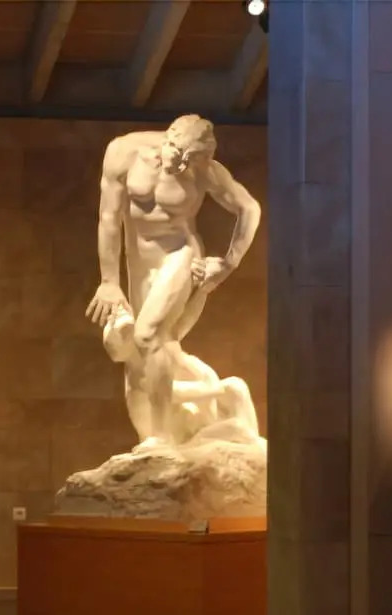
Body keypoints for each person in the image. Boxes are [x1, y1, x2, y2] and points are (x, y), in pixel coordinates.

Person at [85, 114, 261, 448]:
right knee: (140, 355)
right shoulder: (123, 152)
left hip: (180, 256)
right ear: (168, 137)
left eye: (190, 163)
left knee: (147, 335)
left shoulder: (206, 171)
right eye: (178, 156)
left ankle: (161, 437)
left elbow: (249, 209)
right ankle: (164, 431)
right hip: (138, 263)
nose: (181, 167)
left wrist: (228, 263)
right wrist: (109, 281)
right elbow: (108, 219)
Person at [101, 306, 259, 445]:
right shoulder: (141, 379)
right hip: (177, 444)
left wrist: (182, 360)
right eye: (127, 333)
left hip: (191, 429)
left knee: (235, 387)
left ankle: (255, 449)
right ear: (123, 347)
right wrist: (209, 386)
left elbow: (206, 378)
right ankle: (255, 451)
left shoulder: (155, 357)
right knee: (238, 428)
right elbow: (204, 388)